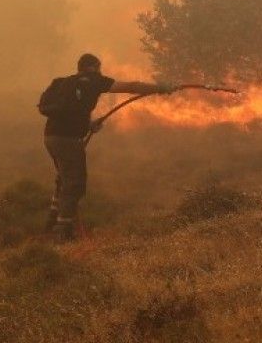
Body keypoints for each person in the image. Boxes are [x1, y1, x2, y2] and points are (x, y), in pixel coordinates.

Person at [41, 53, 174, 241]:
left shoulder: (68, 83)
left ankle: (52, 219)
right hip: (68, 141)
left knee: (64, 177)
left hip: (51, 137)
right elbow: (131, 87)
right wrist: (160, 88)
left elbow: (73, 111)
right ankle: (63, 230)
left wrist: (89, 125)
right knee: (75, 183)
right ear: (95, 67)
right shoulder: (95, 80)